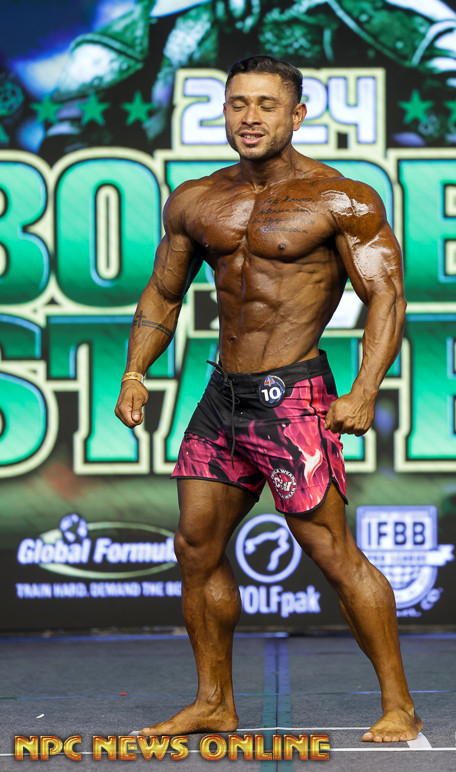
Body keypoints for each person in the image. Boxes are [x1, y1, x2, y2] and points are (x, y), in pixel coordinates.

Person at [115, 54, 421, 743]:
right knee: (195, 545)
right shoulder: (196, 200)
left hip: (293, 400)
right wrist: (135, 371)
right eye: (238, 104)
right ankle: (213, 702)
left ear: (297, 114)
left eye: (266, 105)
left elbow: (386, 296)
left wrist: (363, 389)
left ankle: (399, 703)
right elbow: (163, 291)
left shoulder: (342, 198)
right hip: (222, 397)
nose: (249, 118)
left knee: (333, 552)